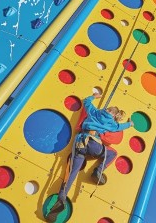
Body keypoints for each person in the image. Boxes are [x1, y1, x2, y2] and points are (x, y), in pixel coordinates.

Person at [45, 92, 133, 222]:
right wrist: (130, 124)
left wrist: (94, 96)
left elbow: (86, 102)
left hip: (80, 143)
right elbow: (121, 126)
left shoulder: (95, 112)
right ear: (114, 115)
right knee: (112, 153)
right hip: (94, 145)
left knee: (71, 174)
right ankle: (98, 171)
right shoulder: (112, 124)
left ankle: (61, 199)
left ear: (107, 109)